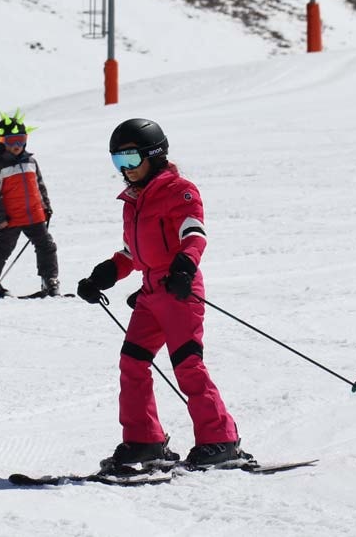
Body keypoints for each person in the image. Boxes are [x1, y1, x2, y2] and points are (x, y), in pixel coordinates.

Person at [76, 118, 243, 468]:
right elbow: (130, 254)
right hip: (151, 293)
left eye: (132, 160)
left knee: (187, 364)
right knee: (132, 362)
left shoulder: (178, 190)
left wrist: (185, 265)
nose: (126, 170)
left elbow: (194, 233)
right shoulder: (132, 202)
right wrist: (104, 275)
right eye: (118, 163)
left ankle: (220, 439)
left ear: (154, 155)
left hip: (179, 290)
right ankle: (144, 441)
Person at [0, 109, 59, 298]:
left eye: (21, 139)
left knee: (47, 246)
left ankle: (50, 280)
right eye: (11, 141)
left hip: (34, 214)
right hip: (11, 217)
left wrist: (46, 207)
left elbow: (39, 186)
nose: (17, 145)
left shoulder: (31, 161)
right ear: (1, 142)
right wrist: (0, 218)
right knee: (3, 248)